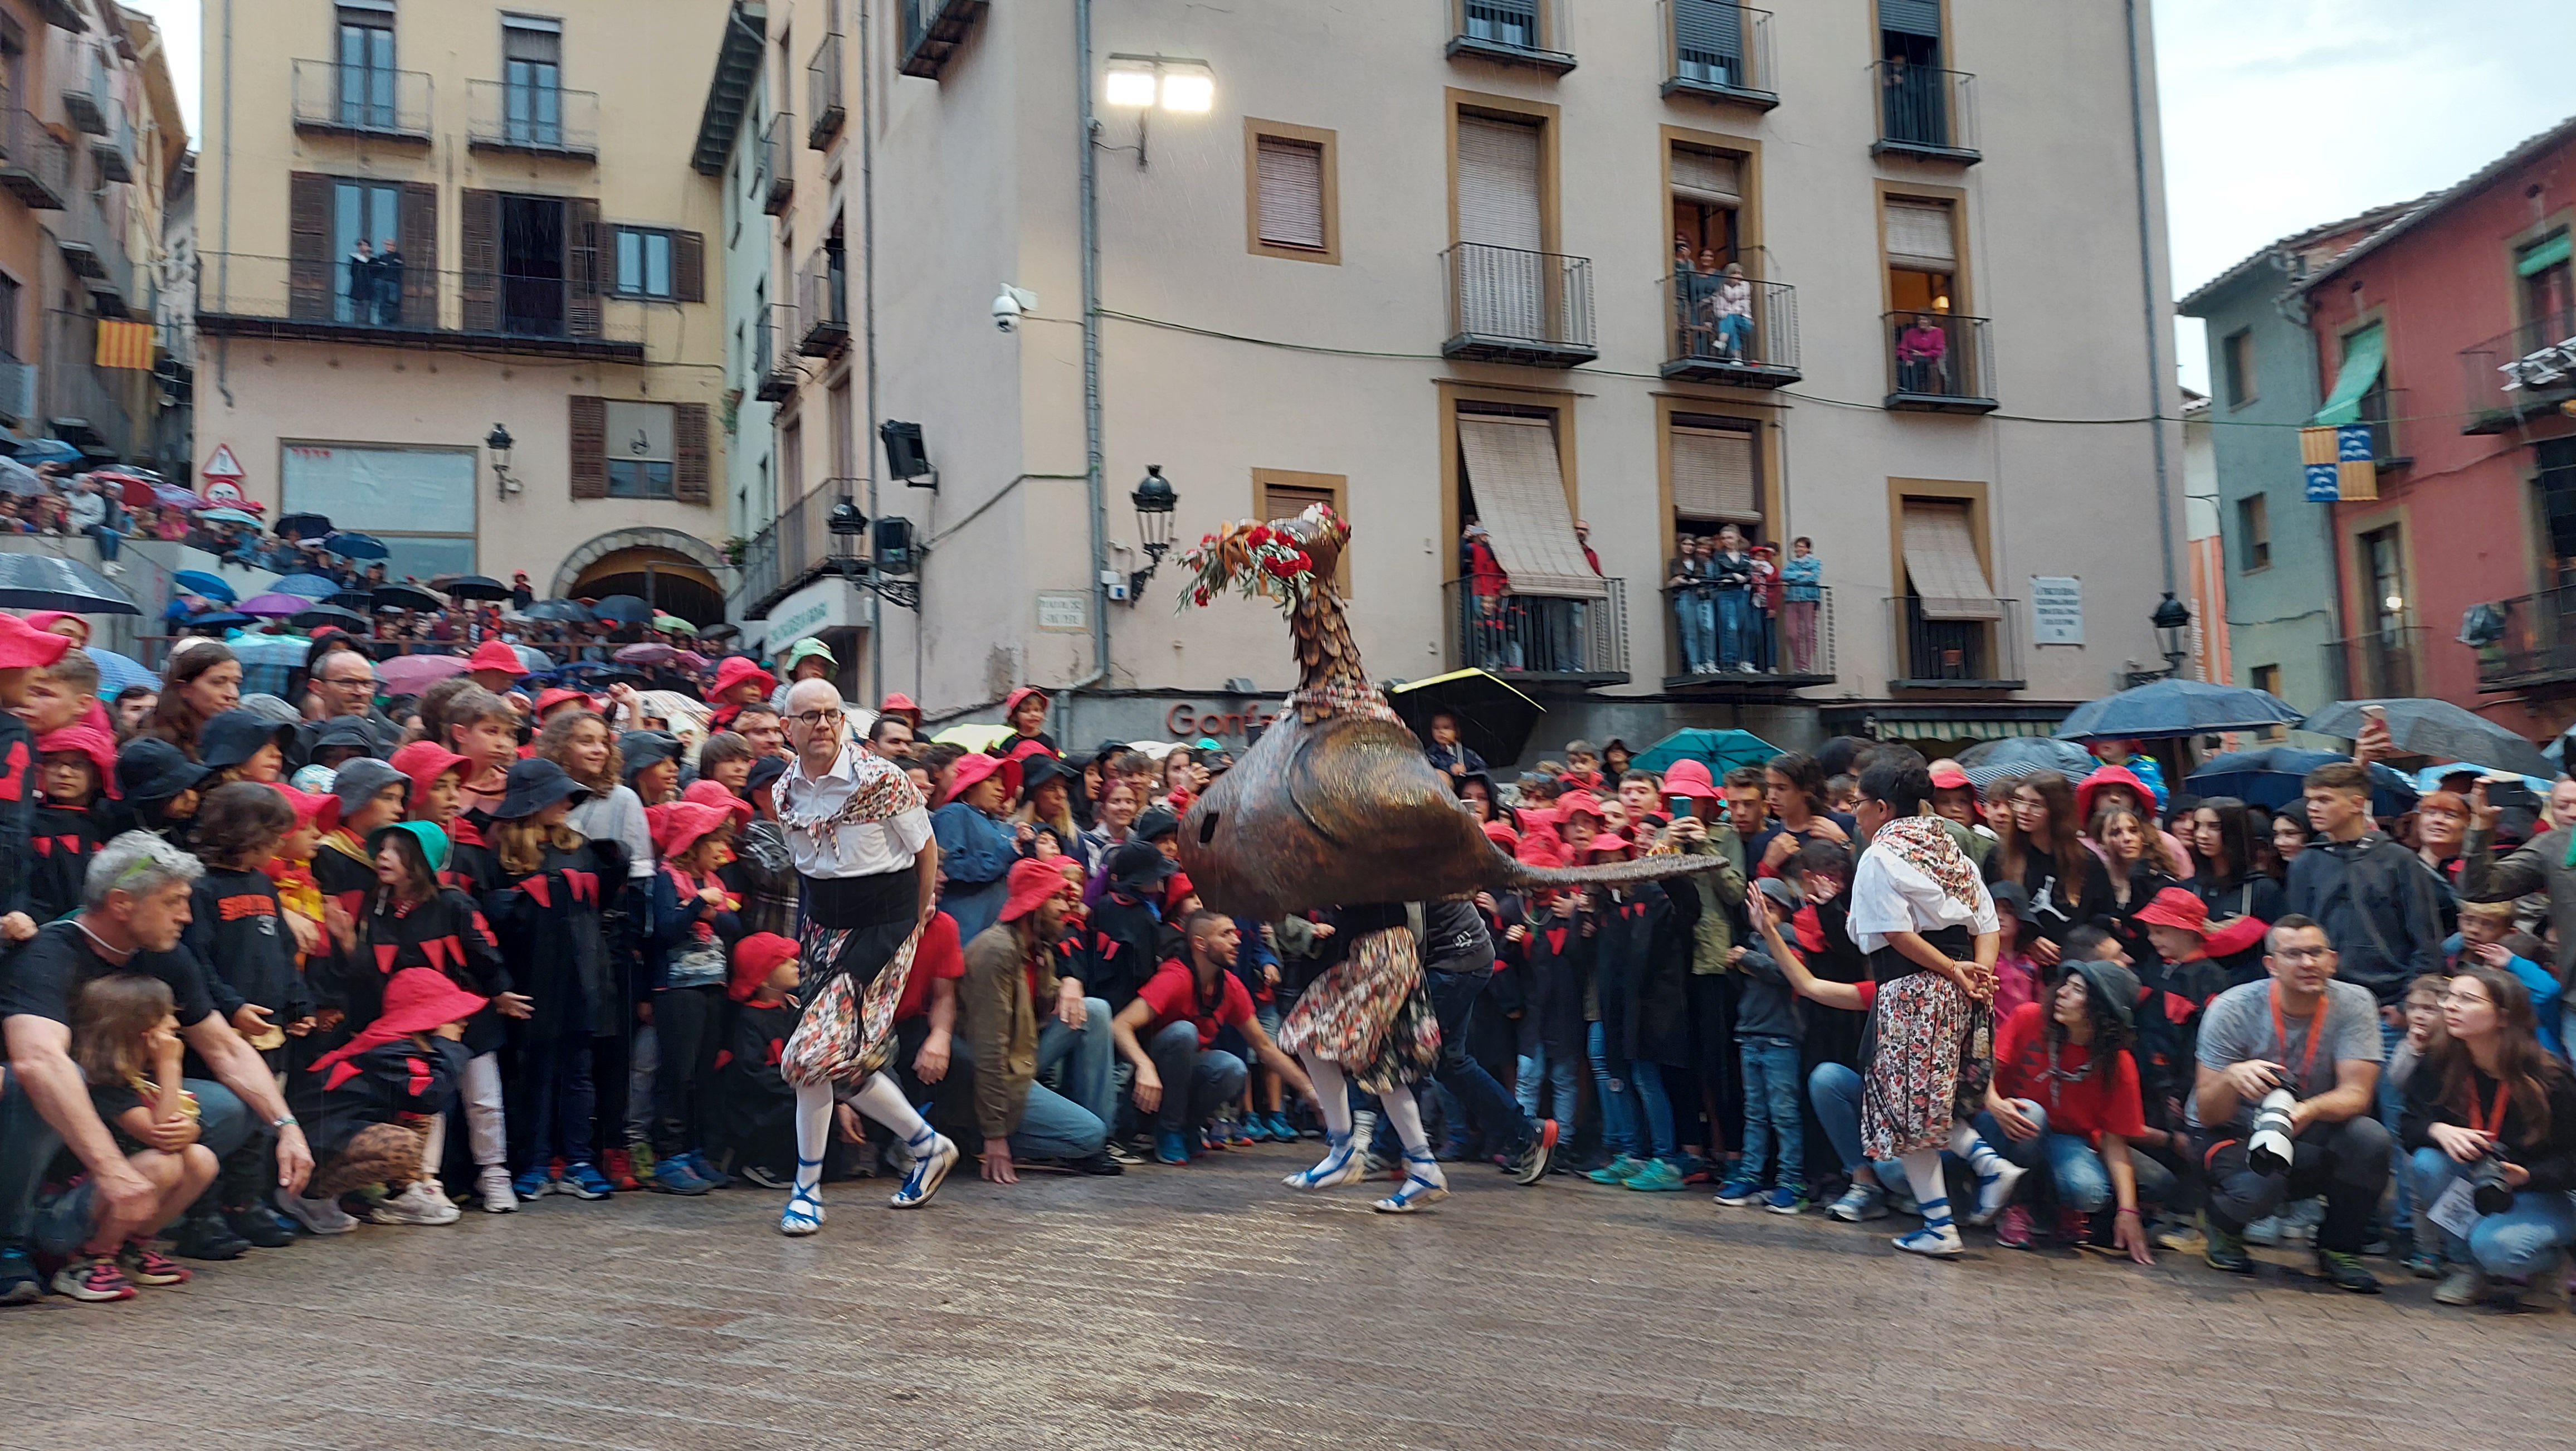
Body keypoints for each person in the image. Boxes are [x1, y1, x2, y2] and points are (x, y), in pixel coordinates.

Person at [0, 832, 316, 1301]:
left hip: (114, 1097)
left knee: (232, 1106)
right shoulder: (50, 953)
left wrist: (287, 1126)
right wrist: (111, 1168)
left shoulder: (167, 954)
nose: (186, 916)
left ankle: (105, 1231)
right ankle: (13, 1240)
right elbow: (37, 1058)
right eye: (173, 903)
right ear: (122, 903)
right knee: (40, 1081)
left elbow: (226, 1049)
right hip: (40, 1105)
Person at [772, 677, 954, 1231]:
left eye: (831, 714)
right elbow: (808, 867)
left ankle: (806, 1189)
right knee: (839, 1063)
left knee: (804, 1059)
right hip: (823, 927)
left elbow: (925, 848)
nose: (822, 724)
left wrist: (917, 922)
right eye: (809, 716)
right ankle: (928, 1146)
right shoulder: (785, 792)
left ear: (843, 721)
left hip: (884, 923)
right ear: (788, 728)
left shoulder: (882, 780)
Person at [1845, 761, 2001, 1258]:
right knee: (1926, 1109)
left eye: (1858, 805)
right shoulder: (1953, 849)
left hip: (1912, 991)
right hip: (1960, 989)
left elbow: (1896, 934)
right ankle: (1981, 1177)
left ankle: (1946, 1219)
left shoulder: (1881, 854)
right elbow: (1988, 924)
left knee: (1907, 1113)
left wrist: (1956, 973)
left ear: (1883, 807)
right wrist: (1978, 974)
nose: (1855, 815)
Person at [2188, 916, 2389, 1291]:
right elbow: (2207, 1112)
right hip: (2232, 1128)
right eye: (2293, 954)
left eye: (2315, 953)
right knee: (2259, 1185)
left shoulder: (2356, 1003)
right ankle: (2222, 1224)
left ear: (2332, 960)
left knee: (2370, 1139)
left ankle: (2339, 1249)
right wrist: (2232, 1076)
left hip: (2306, 1123)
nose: (2307, 964)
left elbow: (2357, 1095)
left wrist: (2308, 1110)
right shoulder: (2233, 1008)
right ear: (2271, 965)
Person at [483, 757, 618, 1209]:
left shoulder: (582, 847)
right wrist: (500, 983)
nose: (566, 802)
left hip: (583, 980)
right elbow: (490, 930)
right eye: (556, 794)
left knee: (579, 1074)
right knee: (534, 1076)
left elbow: (599, 915)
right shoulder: (502, 858)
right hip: (532, 980)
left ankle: (579, 1161)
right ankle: (535, 1163)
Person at [2402, 966, 2576, 1309]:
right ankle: (2467, 1269)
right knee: (2427, 1162)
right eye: (2449, 997)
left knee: (2497, 1249)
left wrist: (2528, 1176)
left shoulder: (2551, 1077)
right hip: (2478, 1183)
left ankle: (2551, 1266)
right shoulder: (2440, 1060)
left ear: (2502, 1016)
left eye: (2466, 1000)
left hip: (2545, 1193)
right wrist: (2438, 1130)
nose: (2450, 1006)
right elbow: (2408, 1125)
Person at [33, 975, 214, 1299]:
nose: (176, 1023)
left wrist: (192, 1130)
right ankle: (88, 1261)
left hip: (99, 1204)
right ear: (136, 1028)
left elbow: (175, 1131)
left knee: (201, 1159)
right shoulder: (103, 1082)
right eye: (166, 1016)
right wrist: (170, 1065)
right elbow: (161, 1137)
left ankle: (131, 1247)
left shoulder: (134, 1076)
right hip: (58, 1222)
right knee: (163, 1165)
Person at [1979, 956, 2168, 1262]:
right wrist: (1994, 1102)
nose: (2063, 993)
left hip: (2065, 1140)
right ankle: (2018, 1205)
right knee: (2032, 1115)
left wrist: (2128, 1210)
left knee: (2090, 1193)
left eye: (2077, 990)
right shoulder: (2030, 1017)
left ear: (2100, 1011)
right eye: (2065, 984)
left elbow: (2115, 1141)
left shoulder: (2117, 1064)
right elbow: (1982, 1073)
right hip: (2003, 1122)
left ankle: (2050, 1209)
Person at [282, 968, 482, 1234]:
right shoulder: (388, 1048)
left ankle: (405, 1194)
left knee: (417, 1114)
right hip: (318, 1138)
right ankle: (307, 1195)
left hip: (338, 1131)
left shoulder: (395, 1044)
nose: (462, 1022)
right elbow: (430, 1096)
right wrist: (448, 1046)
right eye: (453, 1016)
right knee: (403, 1146)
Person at [958, 858, 1120, 1180]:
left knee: (1096, 1011)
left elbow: (1044, 1000)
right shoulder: (996, 951)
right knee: (1089, 1133)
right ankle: (970, 1138)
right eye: (1056, 899)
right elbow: (988, 1052)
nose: (1066, 907)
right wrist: (994, 1136)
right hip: (988, 1082)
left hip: (1023, 1059)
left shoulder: (1037, 948)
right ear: (1033, 906)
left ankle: (1095, 1150)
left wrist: (1067, 986)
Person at [1112, 911, 1316, 1163]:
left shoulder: (1229, 985)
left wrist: (1309, 1089)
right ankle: (1169, 1129)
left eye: (1235, 932)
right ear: (1200, 943)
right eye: (1225, 934)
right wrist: (1145, 1066)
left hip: (1185, 1076)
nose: (1237, 940)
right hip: (1148, 1081)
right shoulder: (1175, 977)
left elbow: (1264, 1046)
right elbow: (1120, 1024)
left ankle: (1189, 1126)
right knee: (1184, 1033)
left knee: (1234, 1069)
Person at [644, 799, 744, 1195]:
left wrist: (706, 907)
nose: (723, 851)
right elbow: (666, 930)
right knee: (678, 1074)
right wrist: (700, 904)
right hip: (678, 990)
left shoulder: (712, 883)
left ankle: (694, 1151)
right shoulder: (668, 879)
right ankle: (668, 1156)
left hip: (711, 987)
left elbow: (736, 925)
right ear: (692, 843)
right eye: (715, 842)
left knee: (703, 1075)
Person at [931, 752, 1018, 943]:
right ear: (970, 786)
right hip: (965, 936)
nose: (1001, 788)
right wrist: (1005, 854)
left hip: (999, 938)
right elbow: (951, 868)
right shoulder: (953, 813)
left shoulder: (1003, 826)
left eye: (1002, 782)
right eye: (991, 780)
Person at [138, 643, 243, 761]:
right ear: (184, 688)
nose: (233, 694)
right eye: (218, 682)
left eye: (237, 684)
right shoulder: (150, 750)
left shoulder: (242, 745)